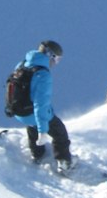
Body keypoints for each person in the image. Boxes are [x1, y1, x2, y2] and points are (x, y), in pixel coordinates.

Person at [13, 39, 73, 170]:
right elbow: (41, 104)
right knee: (59, 132)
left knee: (32, 124)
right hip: (33, 112)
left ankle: (38, 154)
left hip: (19, 111)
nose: (56, 64)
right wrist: (43, 131)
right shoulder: (43, 74)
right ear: (50, 55)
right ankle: (64, 163)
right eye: (56, 59)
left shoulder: (23, 64)